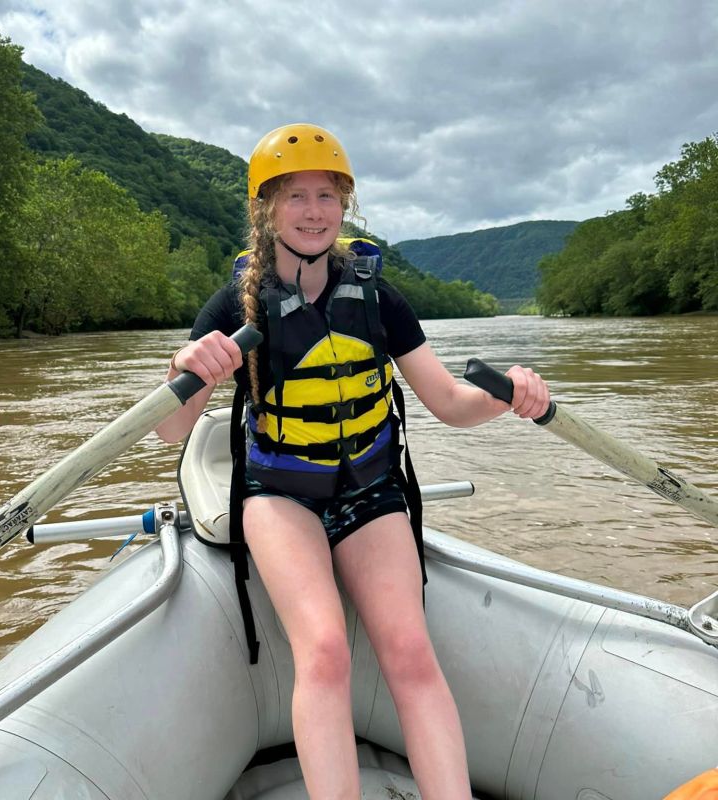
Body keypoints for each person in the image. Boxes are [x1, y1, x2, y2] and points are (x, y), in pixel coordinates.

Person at [156, 123, 550, 800]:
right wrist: (184, 368)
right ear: (266, 209)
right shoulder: (232, 305)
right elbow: (169, 432)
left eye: (327, 195)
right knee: (327, 651)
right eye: (295, 196)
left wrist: (505, 396)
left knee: (410, 653)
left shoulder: (376, 296)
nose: (314, 211)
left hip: (371, 490)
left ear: (345, 206)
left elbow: (451, 403)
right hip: (281, 495)